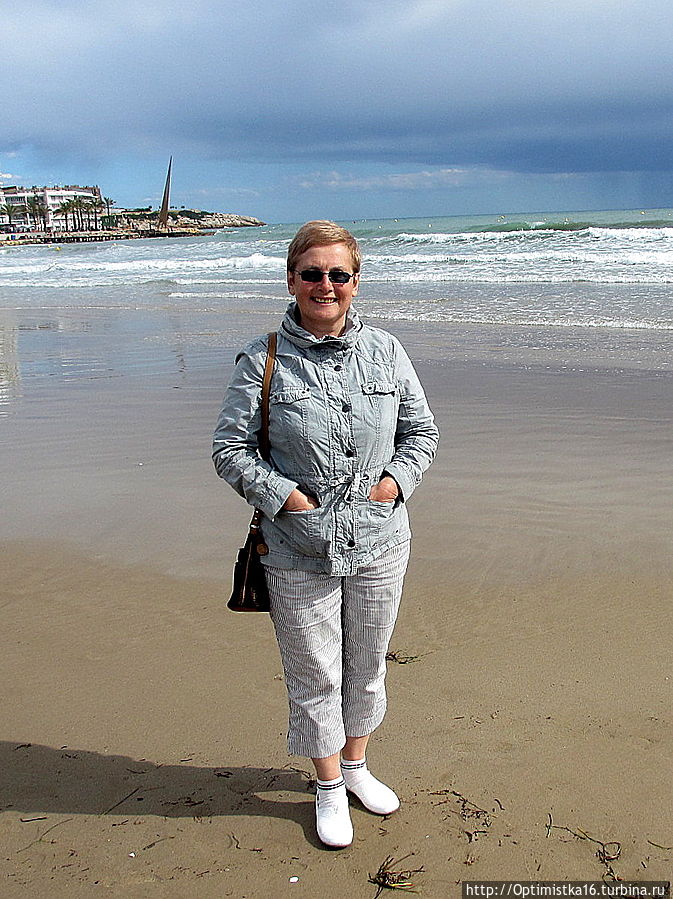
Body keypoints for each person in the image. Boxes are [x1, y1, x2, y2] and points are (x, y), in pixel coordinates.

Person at [213, 221, 438, 848]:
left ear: (355, 282)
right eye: (312, 273)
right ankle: (329, 784)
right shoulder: (262, 361)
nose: (326, 285)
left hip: (379, 542)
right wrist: (283, 496)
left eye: (339, 274)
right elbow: (230, 449)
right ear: (291, 280)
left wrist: (392, 484)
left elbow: (422, 433)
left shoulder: (387, 352)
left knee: (367, 665)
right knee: (315, 673)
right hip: (295, 549)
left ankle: (358, 765)